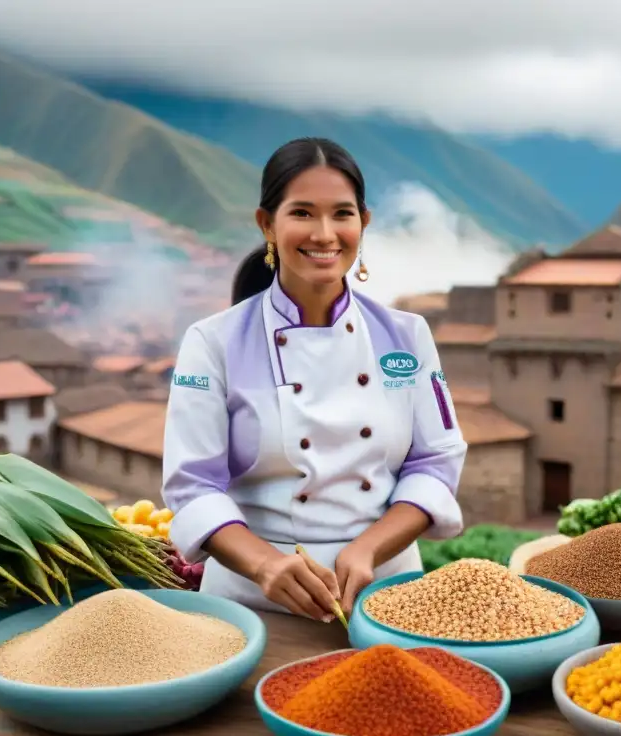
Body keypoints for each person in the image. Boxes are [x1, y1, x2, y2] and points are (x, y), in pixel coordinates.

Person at [162, 137, 467, 623]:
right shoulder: (212, 342)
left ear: (363, 223)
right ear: (267, 224)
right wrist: (265, 566)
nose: (325, 234)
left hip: (385, 596)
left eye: (341, 214)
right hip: (250, 604)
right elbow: (193, 486)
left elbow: (436, 462)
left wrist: (367, 549)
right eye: (302, 213)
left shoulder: (407, 336)